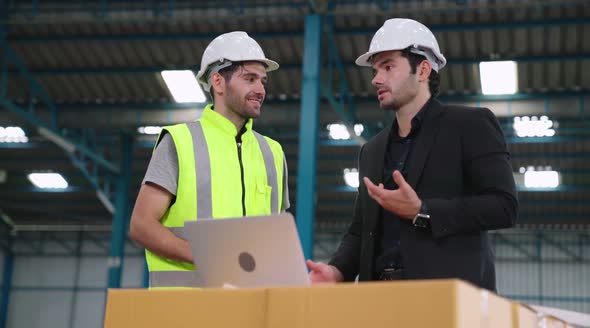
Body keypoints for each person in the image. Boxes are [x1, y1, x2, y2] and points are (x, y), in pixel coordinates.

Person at [306, 18, 517, 291]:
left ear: (423, 70)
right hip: (380, 301)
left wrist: (422, 211)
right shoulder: (372, 151)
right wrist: (337, 270)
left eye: (388, 66)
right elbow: (361, 231)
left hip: (446, 301)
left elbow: (504, 207)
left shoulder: (469, 125)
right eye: (375, 70)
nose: (376, 79)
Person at [130, 31, 290, 288]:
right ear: (218, 82)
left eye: (263, 81)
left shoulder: (272, 152)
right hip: (185, 310)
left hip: (250, 309)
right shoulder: (180, 141)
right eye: (250, 78)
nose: (260, 90)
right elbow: (141, 225)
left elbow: (276, 238)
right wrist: (204, 256)